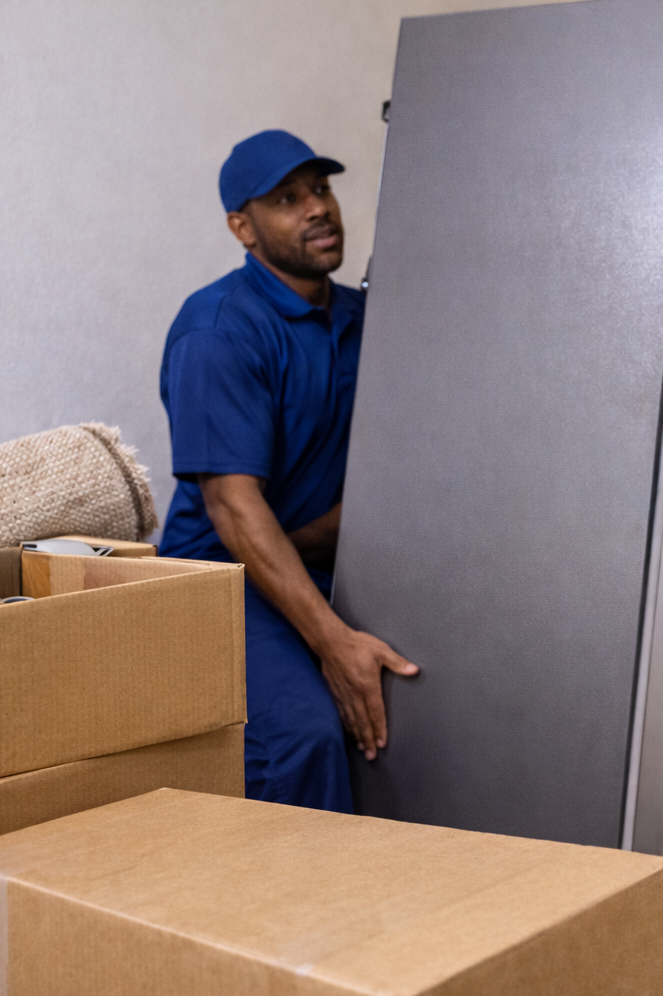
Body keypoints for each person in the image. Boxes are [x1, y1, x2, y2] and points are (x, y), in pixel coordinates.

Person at [158, 130, 417, 813]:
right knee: (305, 737)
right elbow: (234, 509)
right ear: (242, 227)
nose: (316, 209)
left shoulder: (371, 320)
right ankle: (305, 918)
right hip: (221, 581)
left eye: (321, 190)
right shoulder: (217, 330)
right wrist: (333, 645)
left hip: (331, 562)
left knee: (446, 703)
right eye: (287, 199)